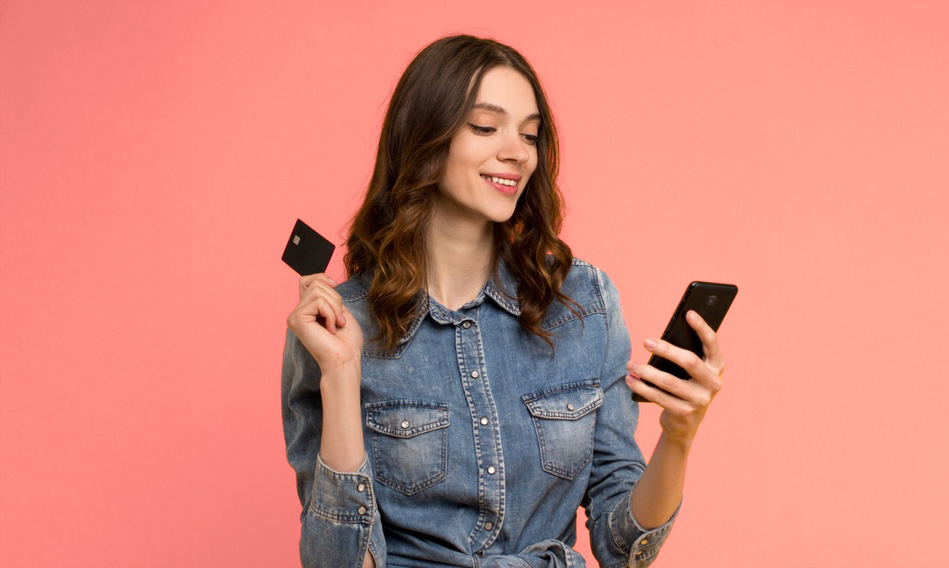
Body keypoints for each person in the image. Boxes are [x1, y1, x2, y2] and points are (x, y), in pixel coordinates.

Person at [281, 35, 725, 568]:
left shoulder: (585, 304)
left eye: (530, 134)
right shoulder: (338, 327)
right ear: (424, 138)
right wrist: (340, 372)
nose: (516, 151)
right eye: (485, 127)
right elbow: (339, 562)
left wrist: (678, 435)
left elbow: (624, 549)